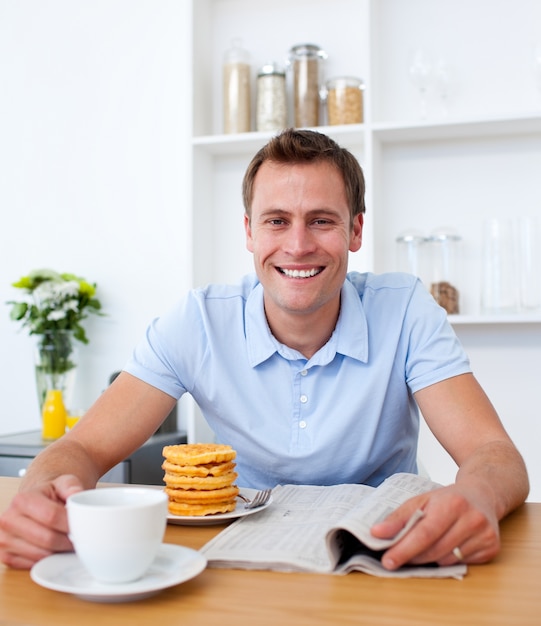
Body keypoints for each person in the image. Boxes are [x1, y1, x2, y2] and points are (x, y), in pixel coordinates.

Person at [0, 129, 529, 572]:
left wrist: (478, 494)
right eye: (277, 220)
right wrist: (40, 497)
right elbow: (81, 450)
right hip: (237, 563)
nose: (297, 245)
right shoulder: (199, 321)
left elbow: (494, 455)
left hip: (380, 559)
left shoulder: (407, 309)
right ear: (250, 232)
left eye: (321, 220)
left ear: (356, 231)